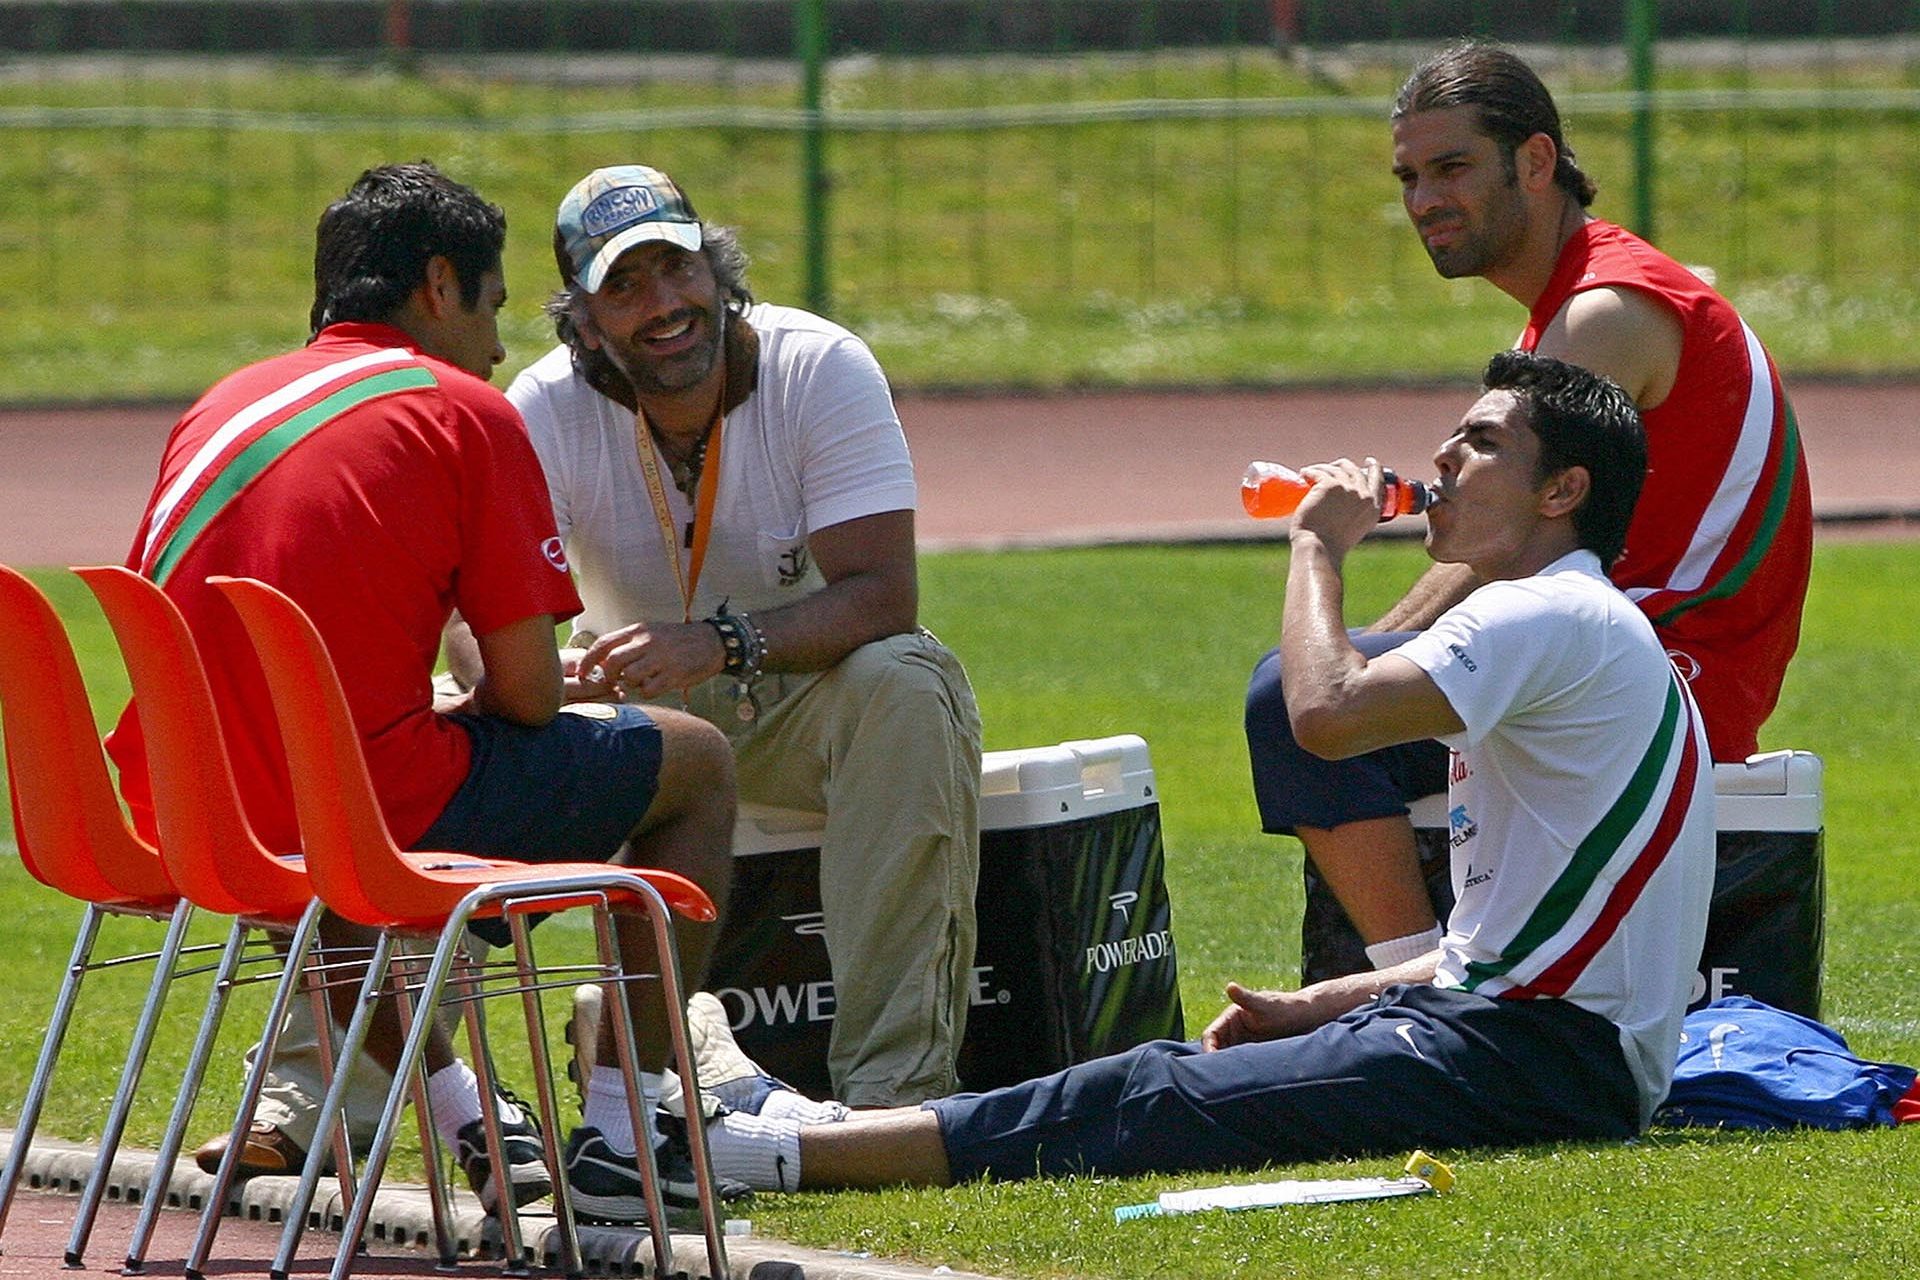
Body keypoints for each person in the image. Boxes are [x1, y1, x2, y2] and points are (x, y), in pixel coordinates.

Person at [681, 351, 1717, 1190]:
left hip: (1531, 1061)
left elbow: (1323, 712)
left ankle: (782, 1149)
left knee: (1157, 1091)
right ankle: (805, 1126)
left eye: (1483, 442)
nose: (1443, 455)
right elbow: (1511, 948)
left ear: (1563, 490)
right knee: (1177, 1079)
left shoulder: (1544, 606)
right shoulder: (1583, 620)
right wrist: (1327, 1003)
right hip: (1542, 1052)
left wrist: (1317, 547)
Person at [113, 162, 743, 1213]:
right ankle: (630, 1135)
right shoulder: (460, 408)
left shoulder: (219, 401)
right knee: (697, 761)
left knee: (312, 797)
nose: (501, 347)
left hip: (199, 814)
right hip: (353, 813)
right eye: (496, 307)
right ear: (441, 285)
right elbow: (534, 698)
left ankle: (477, 1124)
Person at [1244, 41, 1814, 975]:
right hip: (1645, 659)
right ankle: (1423, 986)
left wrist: (1361, 661)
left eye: (1453, 167)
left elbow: (1494, 543)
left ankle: (1409, 992)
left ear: (1537, 162)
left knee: (1294, 702)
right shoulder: (1581, 297)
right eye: (1409, 176)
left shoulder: (1601, 315)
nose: (1425, 200)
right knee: (1329, 699)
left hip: (1674, 676)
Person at [499, 166, 984, 1118]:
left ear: (716, 270)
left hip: (794, 698)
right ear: (586, 321)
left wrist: (717, 643)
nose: (665, 304)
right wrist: (539, 673)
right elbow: (487, 626)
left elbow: (884, 596)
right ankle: (338, 1094)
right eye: (625, 287)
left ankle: (893, 1096)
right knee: (409, 714)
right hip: (628, 713)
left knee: (910, 677)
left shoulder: (822, 365)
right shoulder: (541, 406)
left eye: (677, 268)